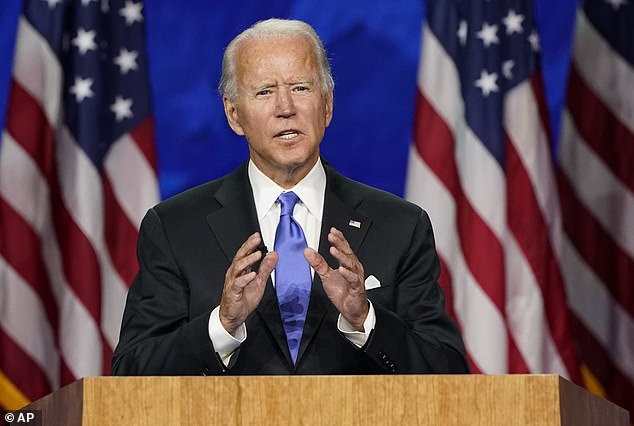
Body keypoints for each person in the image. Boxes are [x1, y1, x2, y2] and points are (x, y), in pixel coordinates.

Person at [111, 18, 469, 375]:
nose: (285, 107)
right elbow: (131, 373)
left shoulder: (400, 226)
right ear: (234, 114)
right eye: (265, 91)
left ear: (326, 106)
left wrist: (365, 319)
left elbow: (448, 374)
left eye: (300, 88)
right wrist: (222, 325)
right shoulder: (176, 228)